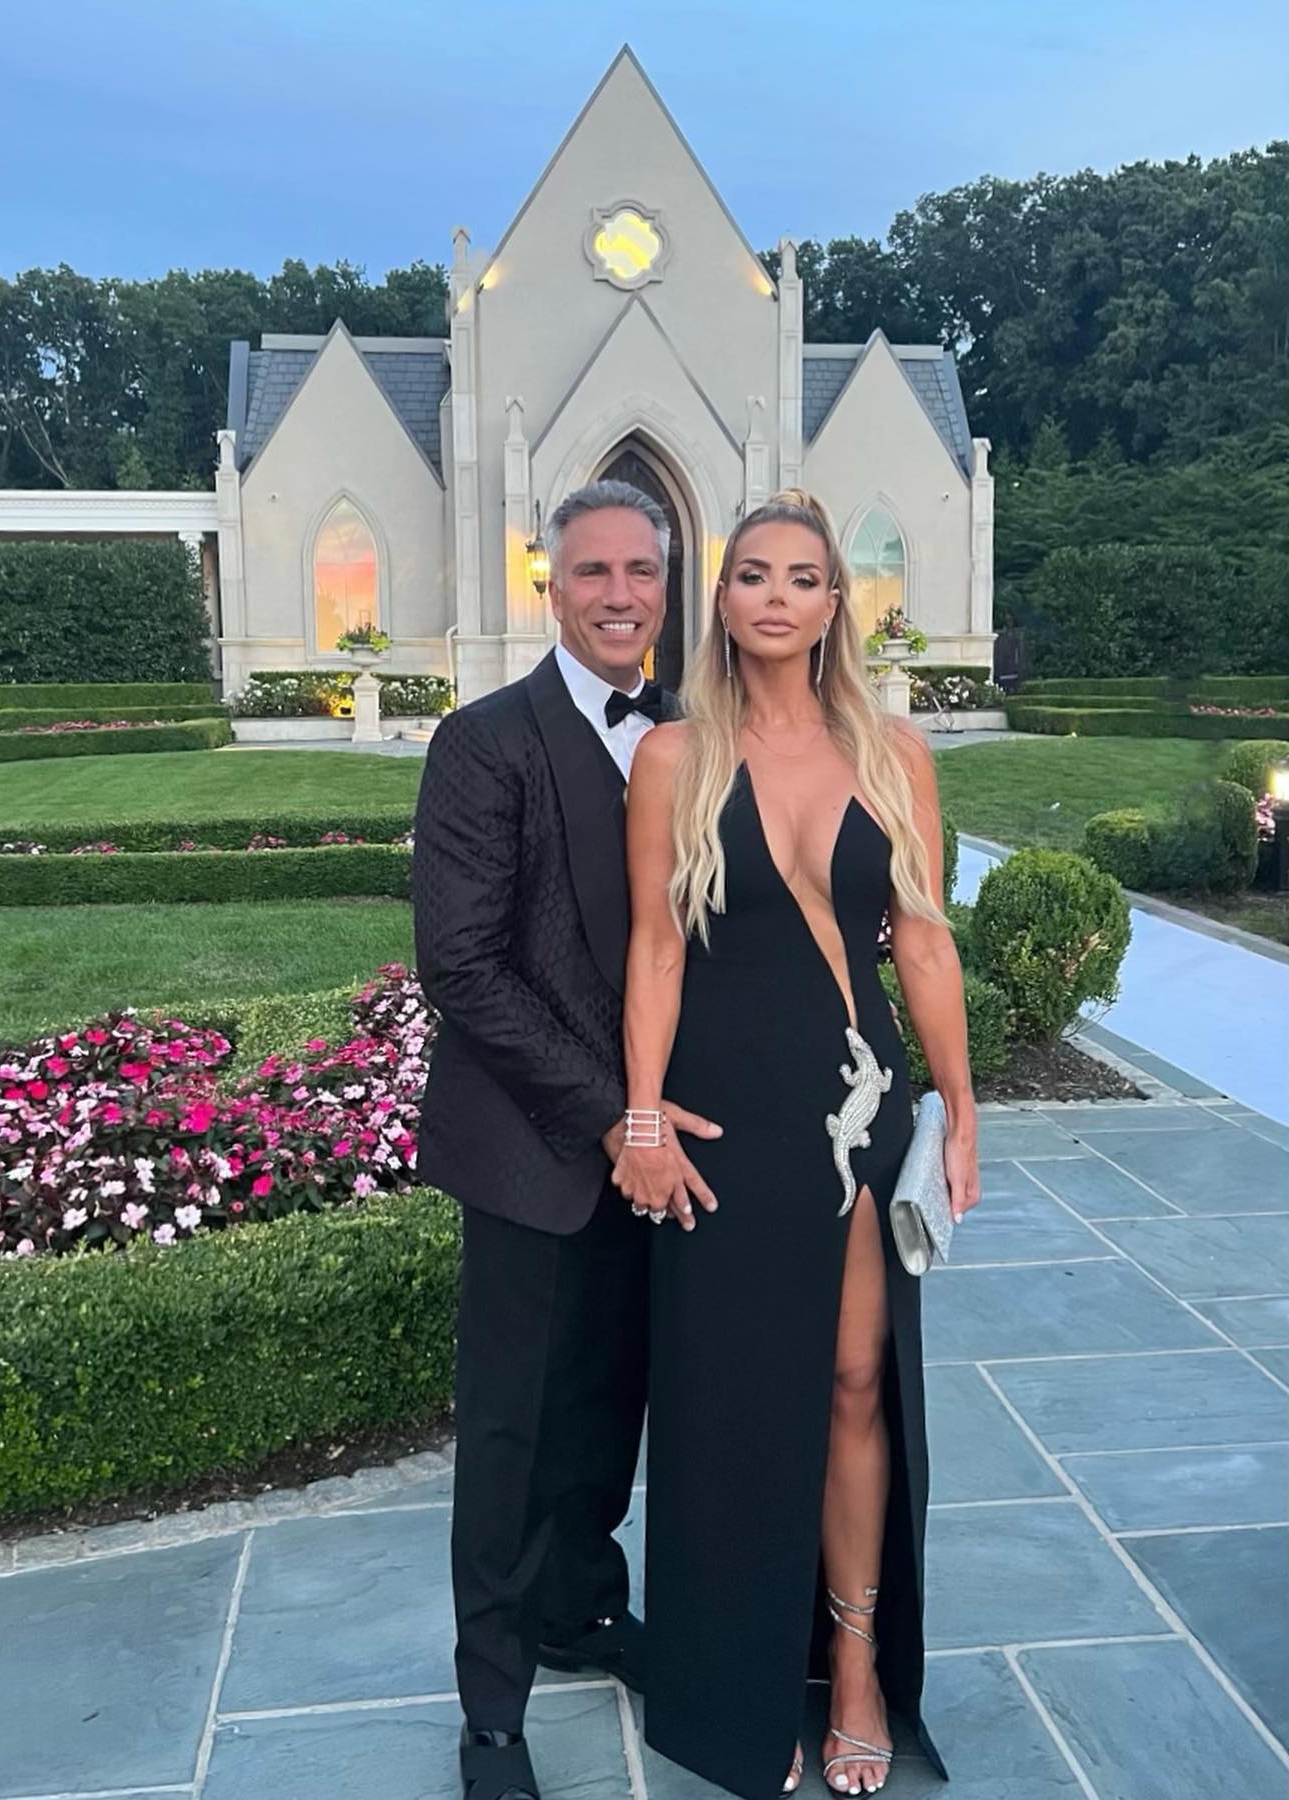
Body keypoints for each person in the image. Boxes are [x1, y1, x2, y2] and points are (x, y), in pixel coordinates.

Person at [614, 491, 982, 1798]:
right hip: (726, 1112)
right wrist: (641, 1115)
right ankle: (739, 1679)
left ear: (835, 606)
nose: (777, 597)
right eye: (754, 575)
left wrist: (961, 1109)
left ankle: (858, 1664)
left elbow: (923, 942)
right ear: (723, 600)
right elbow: (657, 949)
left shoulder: (893, 752)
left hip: (858, 1111)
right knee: (730, 1400)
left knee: (854, 1383)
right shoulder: (674, 759)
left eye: (804, 579)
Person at [412, 480, 722, 1800]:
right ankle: (492, 1708)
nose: (619, 594)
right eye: (592, 570)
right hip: (537, 1155)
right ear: (552, 584)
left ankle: (582, 1609)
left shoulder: (696, 736)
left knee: (614, 1410)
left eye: (641, 571)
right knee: (511, 1440)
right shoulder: (485, 743)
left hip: (666, 1153)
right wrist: (614, 1118)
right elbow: (464, 968)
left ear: (667, 584)